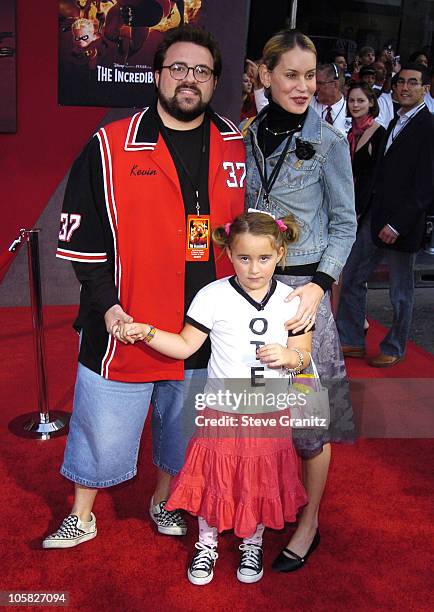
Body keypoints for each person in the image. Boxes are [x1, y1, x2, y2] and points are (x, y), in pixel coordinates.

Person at [43, 24, 246, 549]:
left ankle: (163, 498)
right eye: (178, 67)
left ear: (214, 82)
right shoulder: (110, 146)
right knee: (101, 426)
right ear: (156, 75)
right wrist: (107, 306)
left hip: (203, 328)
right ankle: (82, 513)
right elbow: (82, 238)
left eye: (201, 71)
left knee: (183, 429)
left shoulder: (235, 145)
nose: (189, 79)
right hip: (126, 320)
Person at [117, 211, 311, 585]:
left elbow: (304, 354)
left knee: (258, 481)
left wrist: (290, 357)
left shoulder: (293, 300)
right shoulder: (212, 295)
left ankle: (251, 543)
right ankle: (207, 543)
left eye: (264, 258)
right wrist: (147, 331)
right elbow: (186, 344)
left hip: (269, 411)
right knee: (215, 480)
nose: (254, 268)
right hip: (222, 410)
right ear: (229, 254)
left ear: (280, 254)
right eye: (244, 257)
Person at [243, 29, 357, 572]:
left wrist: (319, 285)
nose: (303, 85)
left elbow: (345, 224)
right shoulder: (243, 136)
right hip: (251, 296)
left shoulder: (331, 143)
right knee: (262, 414)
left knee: (310, 421)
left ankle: (308, 525)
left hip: (304, 297)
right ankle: (268, 502)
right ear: (265, 76)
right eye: (291, 74)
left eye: (310, 75)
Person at [337, 64, 434, 366]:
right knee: (352, 276)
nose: (405, 87)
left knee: (400, 291)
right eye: (400, 82)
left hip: (401, 225)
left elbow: (425, 185)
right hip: (373, 217)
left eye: (413, 83)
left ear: (425, 89)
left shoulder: (429, 127)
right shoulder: (395, 122)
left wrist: (398, 223)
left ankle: (394, 346)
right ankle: (352, 339)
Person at [347, 82, 386, 220]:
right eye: (351, 100)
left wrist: (359, 209)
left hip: (367, 207)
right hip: (348, 200)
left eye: (360, 100)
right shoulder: (350, 132)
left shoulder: (380, 134)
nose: (355, 105)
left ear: (371, 103)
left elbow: (375, 176)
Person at [311, 62, 348, 135]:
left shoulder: (351, 109)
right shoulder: (307, 105)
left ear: (335, 84)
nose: (315, 87)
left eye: (320, 83)